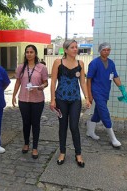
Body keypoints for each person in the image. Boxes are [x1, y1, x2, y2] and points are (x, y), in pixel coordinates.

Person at [50, 40, 90, 168]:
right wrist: (52, 99)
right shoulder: (58, 63)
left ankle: (78, 154)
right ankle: (62, 152)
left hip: (75, 100)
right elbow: (53, 82)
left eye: (76, 47)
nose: (75, 49)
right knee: (62, 126)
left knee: (74, 126)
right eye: (72, 47)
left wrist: (87, 98)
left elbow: (83, 82)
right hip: (61, 99)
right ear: (66, 50)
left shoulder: (80, 63)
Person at [86, 42, 127, 147]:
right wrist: (89, 95)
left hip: (105, 92)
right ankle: (113, 138)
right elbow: (88, 79)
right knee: (104, 113)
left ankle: (90, 132)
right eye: (104, 50)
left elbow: (115, 77)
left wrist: (123, 90)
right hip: (96, 91)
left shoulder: (111, 63)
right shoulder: (94, 63)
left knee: (98, 113)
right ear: (100, 51)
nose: (106, 52)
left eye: (108, 50)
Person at [12, 44, 48, 159]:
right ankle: (26, 144)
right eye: (27, 52)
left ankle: (35, 147)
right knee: (26, 123)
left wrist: (42, 86)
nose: (29, 54)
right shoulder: (21, 67)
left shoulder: (41, 67)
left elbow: (46, 82)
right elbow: (17, 82)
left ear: (35, 54)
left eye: (31, 52)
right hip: (23, 99)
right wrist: (13, 96)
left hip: (37, 100)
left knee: (35, 123)